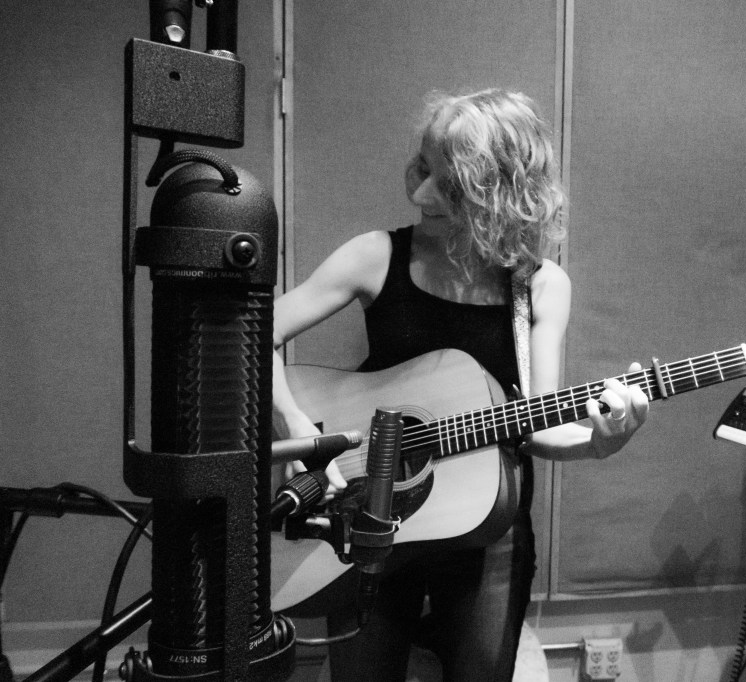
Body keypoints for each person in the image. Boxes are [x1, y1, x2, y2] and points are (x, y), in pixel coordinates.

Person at [272, 88, 649, 682]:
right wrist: (297, 426)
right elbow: (254, 333)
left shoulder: (540, 286)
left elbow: (537, 425)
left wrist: (601, 442)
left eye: (447, 185)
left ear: (500, 193)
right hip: (366, 516)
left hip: (486, 531)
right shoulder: (375, 256)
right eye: (421, 168)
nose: (420, 194)